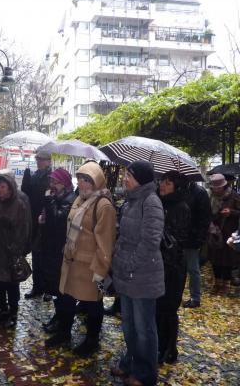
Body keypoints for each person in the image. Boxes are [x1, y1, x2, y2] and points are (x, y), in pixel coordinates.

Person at [45, 161, 116, 358]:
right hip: (71, 261)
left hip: (90, 266)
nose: (83, 184)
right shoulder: (80, 199)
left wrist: (100, 271)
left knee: (93, 305)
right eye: (81, 179)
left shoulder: (103, 205)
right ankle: (63, 333)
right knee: (66, 300)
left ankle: (92, 341)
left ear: (97, 181)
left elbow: (105, 243)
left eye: (88, 180)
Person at [111, 161, 164, 386]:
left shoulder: (151, 202)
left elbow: (150, 241)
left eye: (129, 175)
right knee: (129, 326)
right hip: (127, 273)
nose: (125, 178)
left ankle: (145, 374)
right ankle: (130, 362)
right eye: (125, 174)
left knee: (144, 330)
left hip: (143, 275)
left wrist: (130, 264)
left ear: (141, 179)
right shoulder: (131, 201)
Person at [0, 172, 31, 328]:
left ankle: (13, 312)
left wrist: (16, 249)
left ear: (10, 188)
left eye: (3, 186)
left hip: (10, 253)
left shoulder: (19, 205)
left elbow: (24, 230)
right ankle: (0, 310)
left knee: (11, 285)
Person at [157, 171, 191, 364]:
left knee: (168, 308)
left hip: (173, 265)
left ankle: (169, 350)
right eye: (163, 181)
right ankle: (161, 346)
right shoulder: (161, 203)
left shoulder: (181, 207)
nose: (163, 185)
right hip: (161, 263)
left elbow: (176, 240)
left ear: (177, 187)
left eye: (168, 183)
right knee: (159, 307)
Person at [39, 168, 76, 334]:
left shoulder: (70, 199)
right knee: (55, 286)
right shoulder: (58, 196)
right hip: (52, 247)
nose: (52, 185)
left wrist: (49, 201)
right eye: (51, 182)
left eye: (55, 182)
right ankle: (58, 317)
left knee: (62, 289)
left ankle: (63, 322)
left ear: (64, 183)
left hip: (61, 250)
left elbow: (58, 220)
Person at [21, 150, 52, 299]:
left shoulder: (51, 176)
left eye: (41, 159)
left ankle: (47, 288)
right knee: (36, 255)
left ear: (48, 161)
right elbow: (27, 195)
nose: (38, 162)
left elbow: (49, 197)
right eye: (37, 159)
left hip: (46, 221)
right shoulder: (35, 175)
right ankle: (37, 286)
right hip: (34, 219)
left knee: (46, 256)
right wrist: (26, 181)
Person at [207, 173, 240, 295]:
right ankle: (217, 283)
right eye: (214, 188)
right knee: (215, 258)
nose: (216, 190)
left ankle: (226, 285)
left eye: (218, 188)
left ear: (224, 186)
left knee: (227, 260)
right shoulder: (211, 197)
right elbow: (208, 213)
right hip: (214, 232)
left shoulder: (234, 196)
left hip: (228, 233)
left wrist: (231, 212)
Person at [181, 181, 211, 308]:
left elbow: (204, 218)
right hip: (181, 236)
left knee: (193, 268)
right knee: (181, 268)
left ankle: (195, 297)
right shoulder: (182, 190)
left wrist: (199, 238)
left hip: (192, 237)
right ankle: (183, 294)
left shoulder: (199, 193)